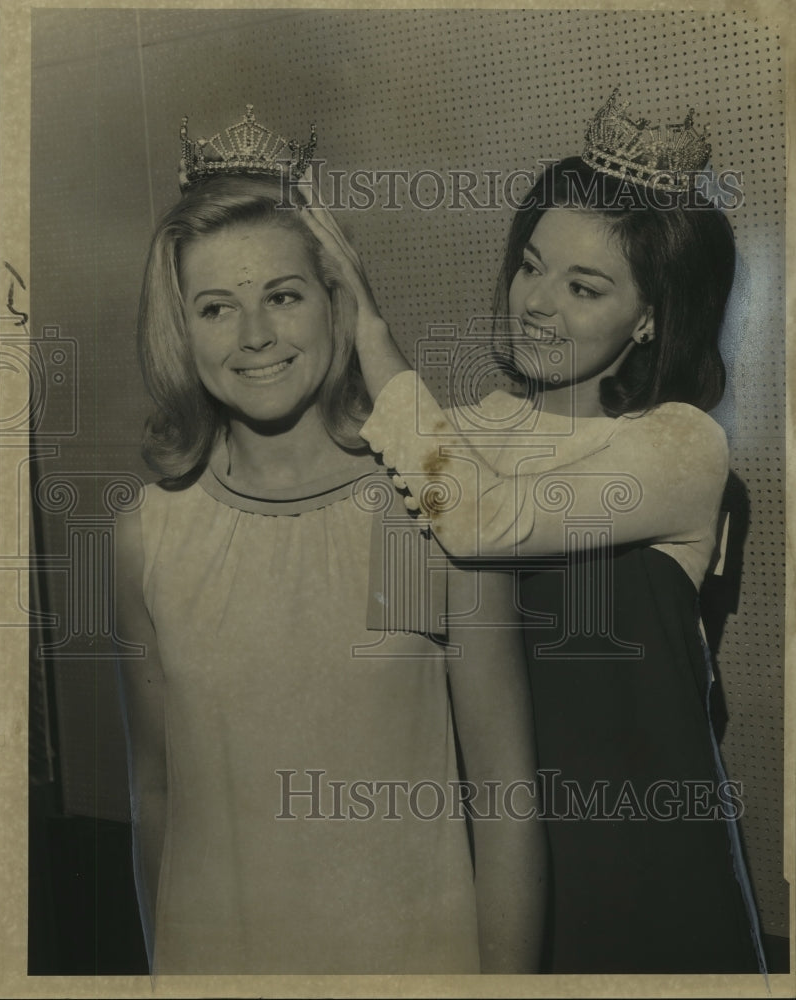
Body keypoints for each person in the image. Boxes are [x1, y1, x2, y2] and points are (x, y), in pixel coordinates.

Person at [301, 90, 767, 974]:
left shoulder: (679, 445)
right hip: (492, 867)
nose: (536, 303)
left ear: (650, 317)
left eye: (583, 286)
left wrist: (371, 332)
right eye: (530, 264)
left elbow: (478, 518)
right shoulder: (451, 441)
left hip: (646, 870)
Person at [113, 106, 546, 976]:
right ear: (181, 330)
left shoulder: (437, 505)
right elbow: (155, 793)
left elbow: (506, 800)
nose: (254, 337)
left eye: (282, 295)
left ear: (336, 303)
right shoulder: (145, 537)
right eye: (215, 307)